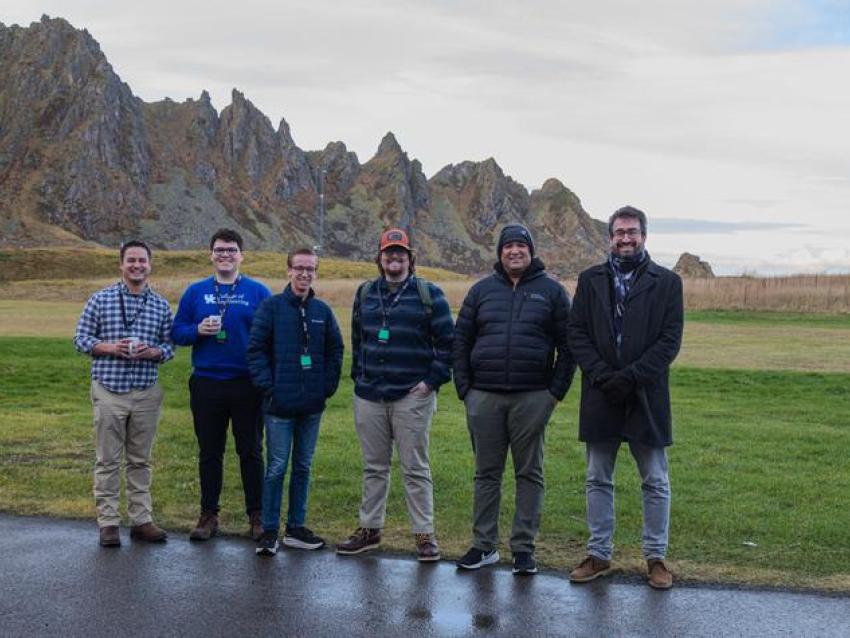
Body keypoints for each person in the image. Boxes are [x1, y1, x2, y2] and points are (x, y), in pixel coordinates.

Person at [567, 206, 683, 590]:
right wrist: (603, 375)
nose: (626, 238)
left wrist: (630, 378)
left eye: (632, 232)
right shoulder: (590, 280)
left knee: (655, 480)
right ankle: (599, 555)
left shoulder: (667, 283)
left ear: (644, 236)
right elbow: (577, 334)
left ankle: (656, 559)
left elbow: (669, 342)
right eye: (619, 232)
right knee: (598, 477)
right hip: (601, 393)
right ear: (610, 237)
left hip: (645, 395)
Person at [453, 223, 576, 575]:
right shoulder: (481, 291)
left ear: (531, 251)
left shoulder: (552, 292)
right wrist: (466, 390)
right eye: (508, 246)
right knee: (486, 473)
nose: (514, 251)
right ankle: (484, 545)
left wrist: (554, 394)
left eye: (521, 245)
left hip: (532, 397)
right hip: (484, 398)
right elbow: (461, 341)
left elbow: (568, 347)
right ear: (500, 252)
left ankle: (523, 548)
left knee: (529, 474)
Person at [336, 228, 453, 562]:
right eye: (389, 253)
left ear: (410, 259)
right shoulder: (365, 293)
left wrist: (430, 382)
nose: (394, 258)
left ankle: (424, 535)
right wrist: (359, 376)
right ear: (380, 258)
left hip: (411, 396)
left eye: (400, 253)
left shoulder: (430, 294)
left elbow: (448, 345)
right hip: (370, 394)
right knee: (374, 467)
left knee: (415, 467)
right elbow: (359, 339)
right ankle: (369, 530)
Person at [171, 228, 271, 541]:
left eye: (231, 250)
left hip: (247, 385)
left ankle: (257, 515)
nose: (225, 255)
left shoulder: (258, 292)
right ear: (210, 254)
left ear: (241, 255)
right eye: (219, 250)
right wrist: (198, 329)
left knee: (251, 452)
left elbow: (270, 336)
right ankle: (208, 515)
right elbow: (177, 333)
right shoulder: (195, 292)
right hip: (207, 383)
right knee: (209, 452)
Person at [73, 240, 175, 547]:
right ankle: (108, 523)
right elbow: (80, 339)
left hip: (146, 390)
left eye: (142, 261)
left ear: (150, 265)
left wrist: (153, 352)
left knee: (140, 460)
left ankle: (142, 520)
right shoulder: (100, 299)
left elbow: (170, 347)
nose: (137, 265)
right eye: (131, 260)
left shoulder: (160, 305)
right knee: (107, 459)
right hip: (109, 387)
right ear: (121, 264)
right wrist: (110, 347)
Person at [247, 247, 343, 556]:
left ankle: (296, 527)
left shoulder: (322, 312)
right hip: (278, 407)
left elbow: (335, 350)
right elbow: (256, 350)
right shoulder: (271, 308)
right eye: (299, 268)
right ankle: (270, 530)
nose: (304, 274)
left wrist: (325, 387)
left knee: (303, 466)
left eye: (310, 269)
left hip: (311, 406)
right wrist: (268, 388)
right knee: (276, 467)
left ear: (316, 272)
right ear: (288, 270)